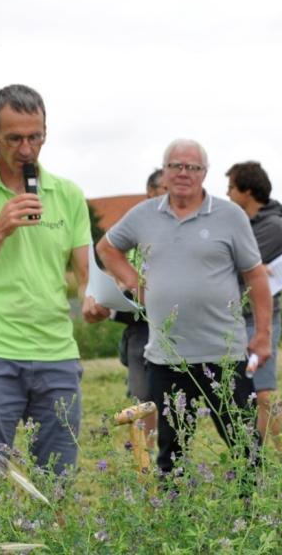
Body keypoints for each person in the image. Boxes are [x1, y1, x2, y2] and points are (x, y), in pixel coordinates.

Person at [0, 84, 109, 482]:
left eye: (35, 137)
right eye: (14, 138)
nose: (26, 149)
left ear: (45, 134)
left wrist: (94, 300)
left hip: (57, 357)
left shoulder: (67, 194)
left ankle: (48, 543)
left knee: (56, 481)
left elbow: (87, 275)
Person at [97, 138, 272, 476]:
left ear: (204, 173)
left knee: (245, 444)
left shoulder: (230, 216)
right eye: (175, 166)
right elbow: (107, 249)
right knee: (172, 452)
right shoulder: (144, 215)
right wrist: (135, 283)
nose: (183, 173)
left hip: (224, 353)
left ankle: (257, 516)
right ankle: (173, 519)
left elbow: (256, 276)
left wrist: (262, 334)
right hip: (167, 356)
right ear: (164, 172)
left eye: (192, 167)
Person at [226, 161, 282, 445]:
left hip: (259, 319)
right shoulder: (239, 223)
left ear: (247, 190)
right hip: (238, 318)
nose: (227, 194)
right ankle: (258, 458)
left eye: (231, 187)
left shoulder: (272, 227)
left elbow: (239, 266)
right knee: (246, 391)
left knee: (263, 390)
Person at [110, 168, 166, 450]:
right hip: (140, 325)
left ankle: (169, 458)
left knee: (172, 397)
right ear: (150, 193)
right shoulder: (135, 228)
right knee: (143, 397)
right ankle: (144, 459)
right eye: (162, 192)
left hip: (173, 326)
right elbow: (116, 264)